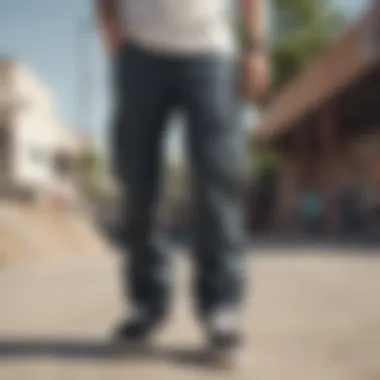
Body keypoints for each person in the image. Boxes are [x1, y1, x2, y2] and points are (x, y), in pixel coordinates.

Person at [96, 0, 270, 358]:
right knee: (137, 180)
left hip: (211, 52)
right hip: (140, 54)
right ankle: (147, 301)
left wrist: (255, 47)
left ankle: (220, 307)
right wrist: (111, 27)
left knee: (217, 181)